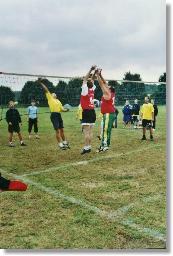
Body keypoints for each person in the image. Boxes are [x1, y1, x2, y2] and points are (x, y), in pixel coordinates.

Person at [38, 79, 70, 150]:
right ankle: (60, 144)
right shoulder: (50, 98)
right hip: (54, 115)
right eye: (52, 93)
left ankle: (64, 142)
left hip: (58, 115)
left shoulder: (58, 101)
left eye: (54, 93)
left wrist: (66, 110)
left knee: (62, 130)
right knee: (57, 130)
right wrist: (41, 83)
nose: (54, 93)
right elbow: (46, 90)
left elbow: (62, 109)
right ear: (51, 95)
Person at [95, 69, 116, 152]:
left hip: (108, 113)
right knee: (106, 130)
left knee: (105, 130)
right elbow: (104, 83)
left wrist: (97, 75)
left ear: (109, 89)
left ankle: (105, 145)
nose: (107, 85)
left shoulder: (107, 93)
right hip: (108, 113)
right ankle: (105, 144)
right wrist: (100, 74)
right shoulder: (110, 92)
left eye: (108, 86)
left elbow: (101, 84)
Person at [80, 66, 97, 154]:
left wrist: (90, 69)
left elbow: (86, 80)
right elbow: (92, 80)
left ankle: (86, 148)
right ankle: (89, 147)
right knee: (90, 131)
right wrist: (94, 73)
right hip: (92, 112)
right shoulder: (92, 90)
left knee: (86, 132)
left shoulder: (85, 90)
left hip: (86, 112)